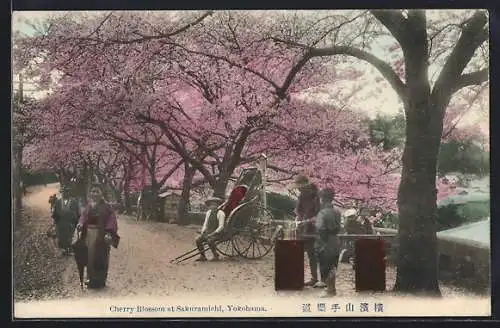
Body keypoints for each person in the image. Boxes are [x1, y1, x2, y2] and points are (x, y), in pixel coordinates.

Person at [76, 183, 119, 289]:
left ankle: (100, 280)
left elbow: (112, 220)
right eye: (93, 191)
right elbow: (83, 216)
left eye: (97, 191)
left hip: (101, 235)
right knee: (89, 257)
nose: (94, 193)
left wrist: (109, 232)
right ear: (90, 193)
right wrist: (80, 224)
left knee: (101, 257)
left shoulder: (107, 207)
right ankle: (91, 278)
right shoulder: (88, 206)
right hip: (89, 234)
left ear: (101, 193)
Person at [289, 174, 321, 286]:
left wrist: (308, 221)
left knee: (312, 254)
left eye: (300, 187)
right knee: (297, 253)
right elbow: (298, 211)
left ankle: (314, 278)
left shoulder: (316, 196)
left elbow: (319, 214)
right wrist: (297, 219)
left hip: (313, 230)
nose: (299, 189)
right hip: (302, 229)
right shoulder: (301, 196)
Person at [313, 188, 342, 296]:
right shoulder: (337, 211)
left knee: (325, 264)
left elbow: (319, 227)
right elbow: (339, 227)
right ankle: (332, 289)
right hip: (335, 240)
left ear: (323, 199)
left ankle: (329, 290)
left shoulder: (323, 213)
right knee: (333, 265)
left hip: (325, 241)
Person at [52, 186, 81, 256]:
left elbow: (78, 212)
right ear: (62, 192)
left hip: (70, 222)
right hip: (61, 222)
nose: (65, 193)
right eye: (64, 192)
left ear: (69, 192)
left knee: (69, 235)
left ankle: (69, 249)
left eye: (67, 191)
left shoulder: (74, 201)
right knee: (62, 236)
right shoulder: (58, 201)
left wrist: (77, 220)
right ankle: (64, 250)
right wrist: (55, 221)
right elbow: (55, 212)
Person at [195, 196, 226, 261]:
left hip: (218, 233)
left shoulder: (221, 213)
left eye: (215, 205)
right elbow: (205, 223)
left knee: (210, 240)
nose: (213, 206)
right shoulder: (208, 212)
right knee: (198, 240)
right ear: (209, 206)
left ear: (218, 205)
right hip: (208, 232)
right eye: (211, 205)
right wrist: (203, 231)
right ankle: (203, 256)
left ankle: (215, 255)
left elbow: (221, 226)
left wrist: (213, 233)